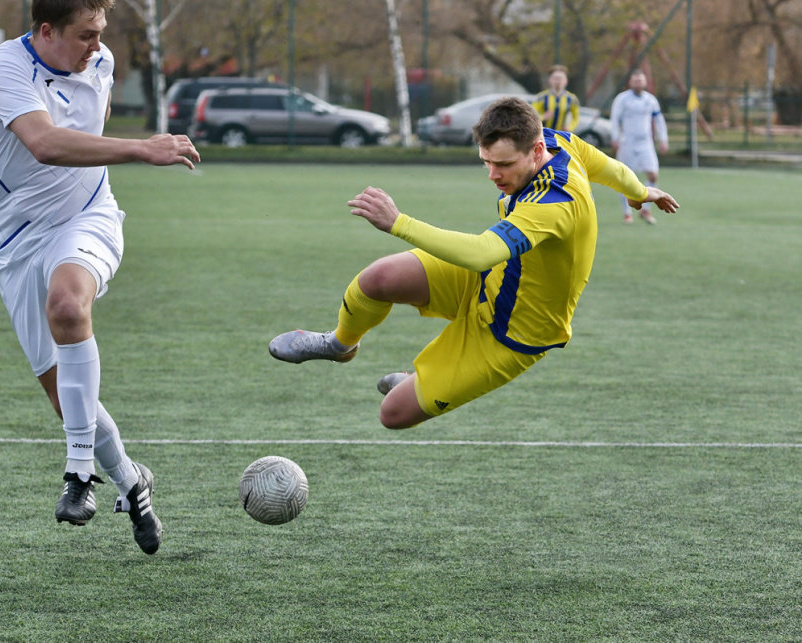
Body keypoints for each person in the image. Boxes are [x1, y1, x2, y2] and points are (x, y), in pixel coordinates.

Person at [269, 97, 678, 429]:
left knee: (392, 415)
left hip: (513, 332)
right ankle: (339, 345)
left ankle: (418, 383)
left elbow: (482, 250)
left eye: (504, 165)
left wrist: (398, 223)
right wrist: (640, 191)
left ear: (536, 151)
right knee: (379, 279)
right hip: (491, 276)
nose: (493, 174)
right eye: (487, 161)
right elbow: (608, 166)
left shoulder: (555, 202)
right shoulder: (559, 141)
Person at [0, 0, 199, 554]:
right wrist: (142, 147)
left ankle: (78, 473)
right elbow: (46, 143)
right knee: (67, 400)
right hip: (16, 243)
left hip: (88, 217)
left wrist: (116, 160)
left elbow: (88, 130)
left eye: (100, 33)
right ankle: (131, 482)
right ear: (46, 31)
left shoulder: (100, 62)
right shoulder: (5, 67)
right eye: (85, 35)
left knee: (68, 305)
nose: (97, 46)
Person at [610, 69, 669, 224]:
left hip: (646, 143)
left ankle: (646, 210)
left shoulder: (651, 100)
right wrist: (615, 138)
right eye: (635, 80)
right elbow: (615, 119)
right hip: (627, 143)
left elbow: (659, 120)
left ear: (645, 82)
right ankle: (627, 213)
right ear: (630, 82)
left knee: (653, 175)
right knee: (624, 178)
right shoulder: (622, 99)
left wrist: (663, 139)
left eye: (640, 80)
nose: (638, 83)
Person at [532, 65, 579, 133]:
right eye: (555, 78)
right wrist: (543, 117)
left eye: (561, 78)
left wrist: (569, 128)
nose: (558, 81)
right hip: (544, 134)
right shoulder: (541, 97)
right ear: (550, 80)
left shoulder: (572, 99)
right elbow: (531, 115)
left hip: (562, 135)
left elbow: (576, 118)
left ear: (566, 81)